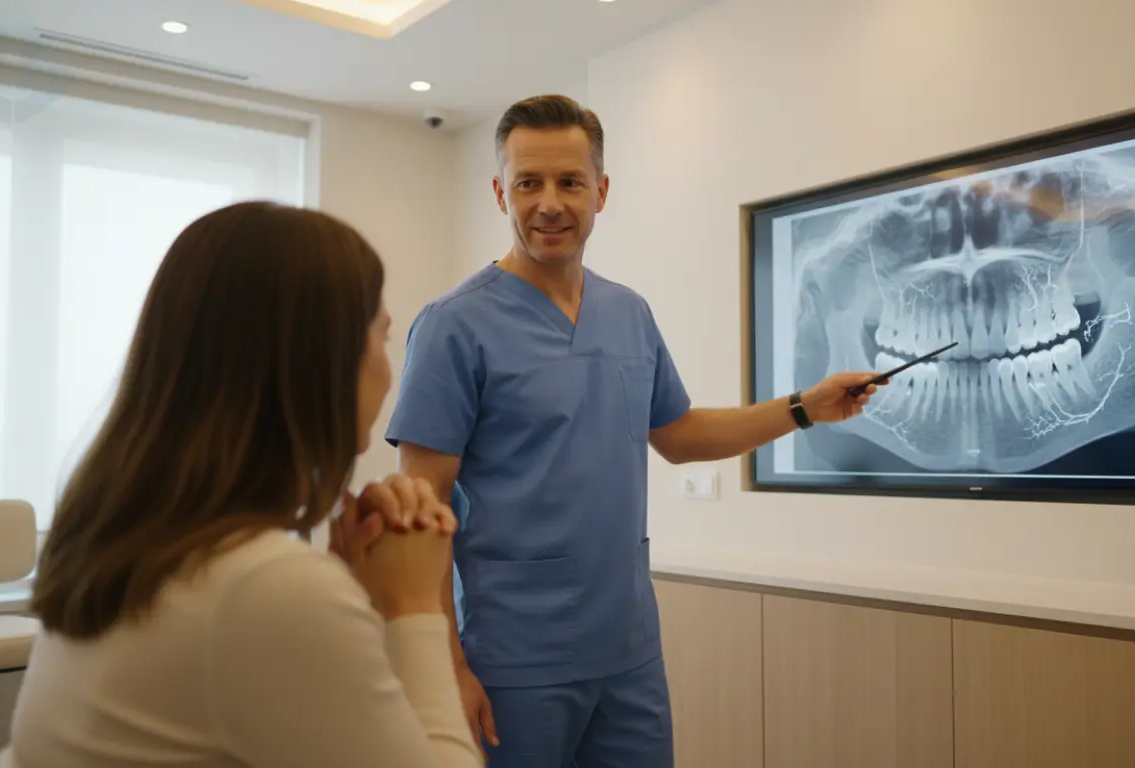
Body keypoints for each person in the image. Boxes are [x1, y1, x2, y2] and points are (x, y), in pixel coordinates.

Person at [379, 95, 885, 767]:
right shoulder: (454, 325)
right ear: (501, 191)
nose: (549, 203)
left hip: (627, 650)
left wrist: (803, 408)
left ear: (602, 191)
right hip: (511, 657)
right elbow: (422, 507)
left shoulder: (628, 313)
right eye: (527, 183)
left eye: (570, 182)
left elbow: (677, 434)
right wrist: (446, 663)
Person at [0, 201, 483, 768]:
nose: (386, 367)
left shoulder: (130, 538)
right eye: (382, 338)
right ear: (320, 364)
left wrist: (352, 596)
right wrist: (413, 606)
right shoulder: (264, 585)